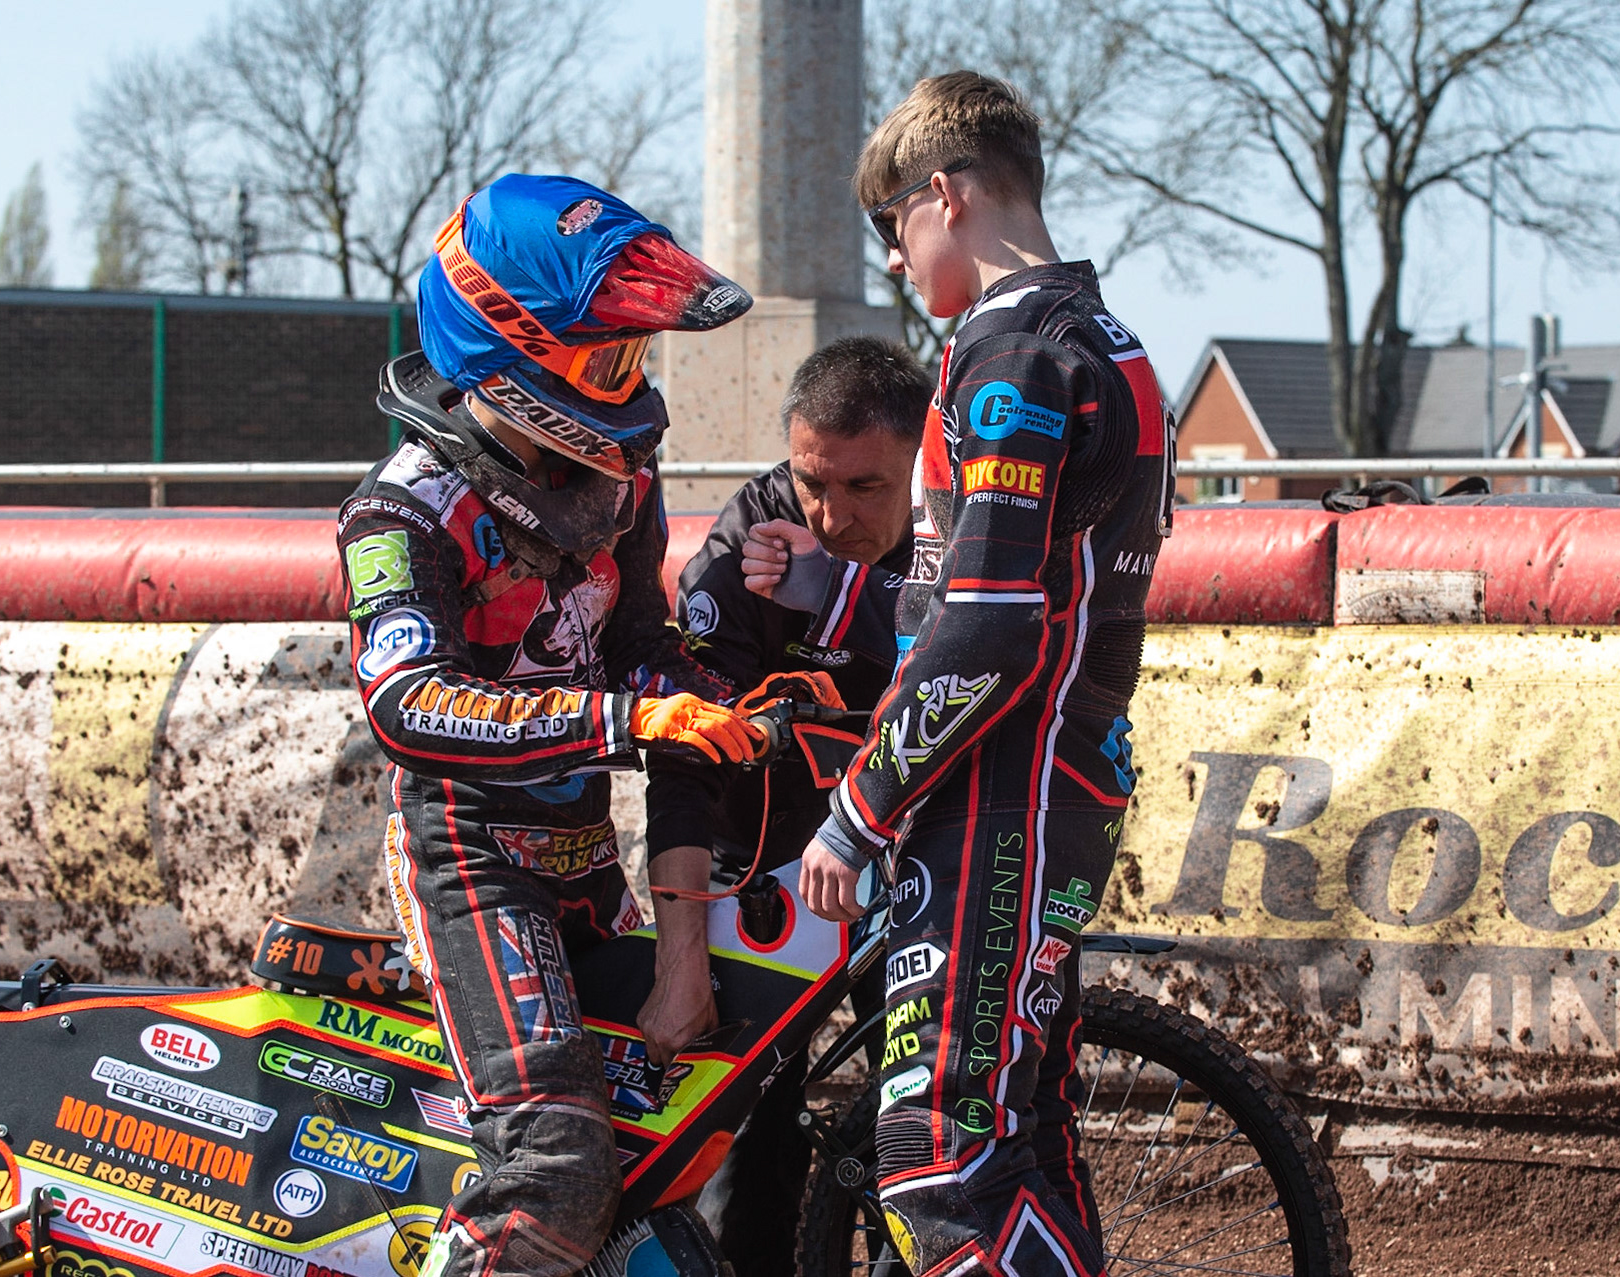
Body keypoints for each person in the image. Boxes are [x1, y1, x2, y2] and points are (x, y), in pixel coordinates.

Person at [744, 72, 1176, 1277]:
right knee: (1020, 1138)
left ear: (947, 194)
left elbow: (988, 629)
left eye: (895, 228)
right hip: (1056, 775)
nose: (891, 263)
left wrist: (860, 808)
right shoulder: (1110, 340)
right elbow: (1005, 594)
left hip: (1003, 793)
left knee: (938, 1151)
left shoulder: (1013, 359)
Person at [341, 174, 790, 1277]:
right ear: (505, 353)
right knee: (556, 1168)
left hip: (584, 859)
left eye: (630, 360)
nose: (624, 389)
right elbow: (408, 702)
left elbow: (636, 631)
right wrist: (629, 714)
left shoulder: (622, 477)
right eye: (602, 364)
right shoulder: (402, 509)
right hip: (469, 862)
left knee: (664, 1137)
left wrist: (712, 698)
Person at [644, 335, 930, 1277]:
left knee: (923, 1114)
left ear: (921, 457)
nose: (832, 512)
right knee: (748, 1133)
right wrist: (683, 954)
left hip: (907, 842)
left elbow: (994, 634)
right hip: (764, 859)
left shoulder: (967, 499)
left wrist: (850, 589)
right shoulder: (747, 544)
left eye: (866, 489)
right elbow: (683, 762)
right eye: (814, 480)